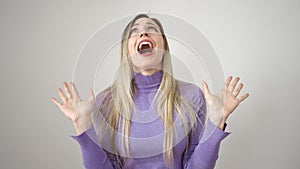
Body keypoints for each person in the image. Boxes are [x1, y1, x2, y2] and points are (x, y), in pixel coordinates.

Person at [51, 14, 249, 169]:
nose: (143, 34)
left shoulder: (191, 96)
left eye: (151, 29)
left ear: (163, 45)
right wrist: (82, 124)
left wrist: (216, 120)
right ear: (126, 50)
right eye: (135, 31)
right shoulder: (106, 102)